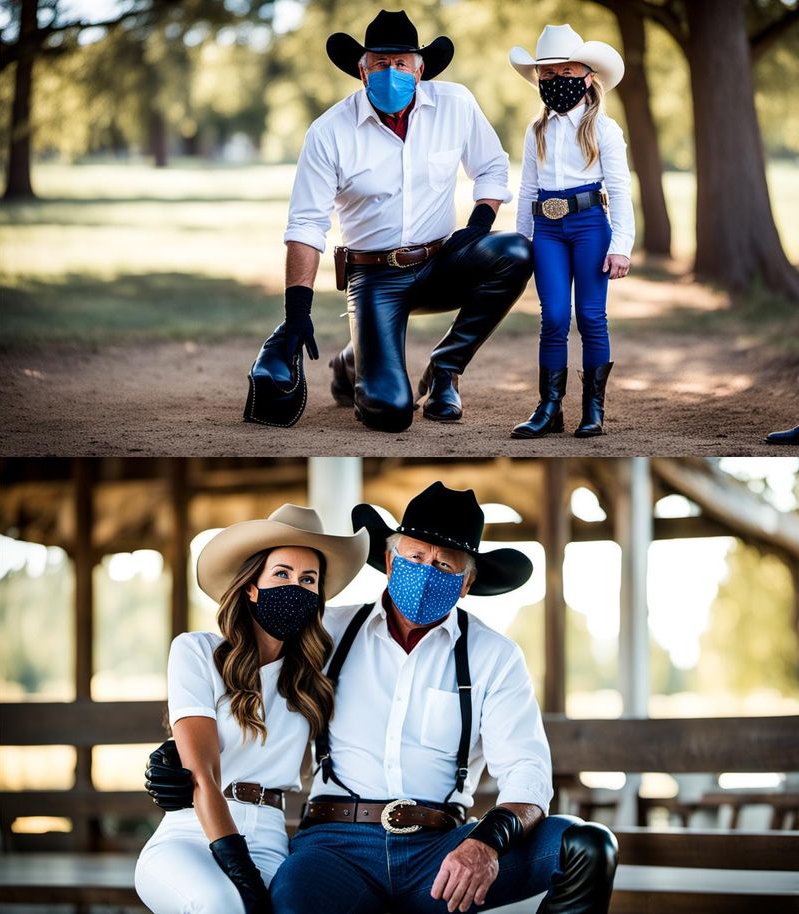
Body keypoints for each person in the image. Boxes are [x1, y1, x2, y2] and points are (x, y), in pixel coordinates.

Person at [147, 483, 619, 914]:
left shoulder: (494, 655)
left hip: (443, 850)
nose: (425, 573)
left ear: (466, 582)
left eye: (443, 566)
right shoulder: (324, 633)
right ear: (391, 562)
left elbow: (528, 773)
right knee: (292, 904)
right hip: (334, 848)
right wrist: (172, 757)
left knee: (587, 847)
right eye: (414, 558)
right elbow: (248, 678)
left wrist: (487, 844)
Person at [247, 11, 533, 432]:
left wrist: (477, 225)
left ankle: (445, 369)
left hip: (441, 262)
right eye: (380, 63)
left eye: (401, 62)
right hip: (374, 277)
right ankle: (351, 361)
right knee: (391, 413)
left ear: (420, 69)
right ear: (362, 71)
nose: (391, 71)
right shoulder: (328, 132)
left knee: (516, 252)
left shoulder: (456, 104)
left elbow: (491, 167)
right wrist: (297, 312)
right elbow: (307, 225)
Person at [135, 506, 369, 914]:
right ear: (251, 587)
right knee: (222, 905)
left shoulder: (313, 675)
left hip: (270, 839)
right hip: (192, 834)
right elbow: (204, 777)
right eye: (282, 574)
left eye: (308, 579)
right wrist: (243, 877)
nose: (295, 586)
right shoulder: (196, 652)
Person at [510, 26, 632, 440]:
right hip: (546, 228)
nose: (556, 81)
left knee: (592, 317)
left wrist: (622, 246)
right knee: (554, 317)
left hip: (589, 226)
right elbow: (527, 188)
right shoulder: (536, 130)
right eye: (548, 75)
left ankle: (593, 410)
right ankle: (549, 408)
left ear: (587, 77)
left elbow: (619, 190)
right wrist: (521, 243)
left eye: (566, 73)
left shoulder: (604, 130)